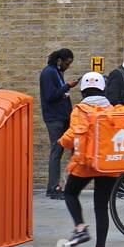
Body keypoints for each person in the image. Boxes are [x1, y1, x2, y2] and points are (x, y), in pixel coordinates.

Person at [58, 71, 124, 247]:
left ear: (83, 91)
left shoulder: (80, 110)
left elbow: (73, 136)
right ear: (103, 88)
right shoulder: (113, 110)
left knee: (70, 193)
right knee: (101, 207)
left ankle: (80, 229)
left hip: (86, 164)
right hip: (107, 164)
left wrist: (61, 142)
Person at [40, 49, 78, 199]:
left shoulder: (56, 71)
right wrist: (67, 86)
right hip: (54, 119)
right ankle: (53, 188)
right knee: (56, 152)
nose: (68, 66)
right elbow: (50, 96)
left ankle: (57, 186)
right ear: (59, 60)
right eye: (67, 63)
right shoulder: (48, 73)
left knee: (62, 150)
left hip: (61, 117)